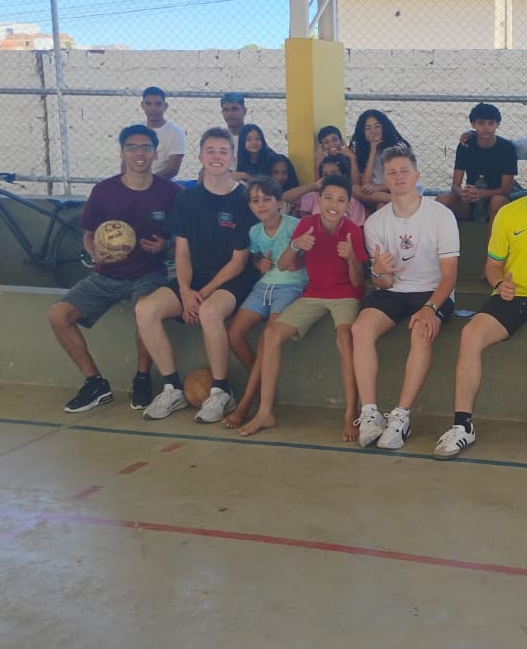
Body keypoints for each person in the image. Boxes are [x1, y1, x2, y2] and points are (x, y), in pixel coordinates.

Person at [433, 146, 527, 460]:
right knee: (470, 334)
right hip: (511, 296)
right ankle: (463, 425)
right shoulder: (508, 213)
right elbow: (492, 266)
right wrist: (499, 284)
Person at [47, 124, 181, 412]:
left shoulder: (171, 192)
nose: (139, 153)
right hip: (105, 275)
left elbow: (182, 241)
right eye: (132, 147)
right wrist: (96, 252)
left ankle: (142, 378)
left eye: (145, 147)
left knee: (145, 311)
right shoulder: (104, 191)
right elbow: (88, 234)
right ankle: (95, 383)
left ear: (155, 152)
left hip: (149, 273)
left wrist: (164, 246)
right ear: (122, 152)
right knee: (58, 315)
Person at [135, 128, 260, 423]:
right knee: (145, 309)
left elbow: (238, 262)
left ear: (232, 158)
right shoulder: (186, 199)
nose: (217, 157)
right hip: (193, 279)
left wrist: (200, 295)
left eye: (223, 151)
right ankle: (172, 387)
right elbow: (182, 253)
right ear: (201, 156)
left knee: (209, 312)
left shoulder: (244, 200)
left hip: (232, 279)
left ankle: (221, 390)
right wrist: (185, 290)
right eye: (211, 151)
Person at [237, 174, 368, 438]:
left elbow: (358, 283)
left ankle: (350, 414)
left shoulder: (352, 230)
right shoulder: (306, 225)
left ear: (348, 205)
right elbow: (284, 264)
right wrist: (296, 246)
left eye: (340, 200)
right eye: (328, 198)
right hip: (313, 294)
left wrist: (351, 257)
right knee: (271, 334)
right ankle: (265, 412)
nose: (333, 205)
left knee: (345, 338)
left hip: (345, 295)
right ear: (319, 199)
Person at [351, 146, 459, 449]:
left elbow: (449, 276)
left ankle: (401, 416)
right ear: (384, 179)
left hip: (433, 291)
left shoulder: (441, 215)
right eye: (392, 172)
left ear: (416, 175)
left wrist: (430, 308)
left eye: (404, 171)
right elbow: (382, 282)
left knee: (421, 330)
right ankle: (370, 413)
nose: (398, 177)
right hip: (395, 291)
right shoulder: (376, 223)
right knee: (360, 329)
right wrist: (380, 271)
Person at [223, 176, 308, 428]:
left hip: (290, 287)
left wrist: (298, 261)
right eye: (255, 200)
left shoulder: (294, 225)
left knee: (266, 339)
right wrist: (259, 263)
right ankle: (259, 378)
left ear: (279, 202)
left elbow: (310, 256)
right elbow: (255, 256)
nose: (261, 205)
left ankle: (247, 402)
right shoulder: (254, 231)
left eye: (266, 199)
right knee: (234, 333)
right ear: (250, 206)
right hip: (263, 287)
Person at [437, 102, 517, 233]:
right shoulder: (465, 145)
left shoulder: (507, 148)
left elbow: (506, 190)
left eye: (491, 123)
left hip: (495, 198)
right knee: (442, 200)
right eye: (481, 123)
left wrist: (481, 193)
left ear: (497, 124)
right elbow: (455, 185)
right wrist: (462, 193)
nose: (486, 127)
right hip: (471, 199)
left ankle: (491, 244)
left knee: (497, 201)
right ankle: (444, 243)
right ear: (473, 124)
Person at [352, 109, 410, 210]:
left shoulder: (397, 148)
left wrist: (377, 187)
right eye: (368, 128)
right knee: (355, 189)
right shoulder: (361, 152)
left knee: (381, 205)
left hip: (396, 189)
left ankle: (397, 200)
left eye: (377, 126)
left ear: (384, 127)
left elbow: (403, 179)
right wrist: (372, 150)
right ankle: (395, 200)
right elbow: (366, 184)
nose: (373, 131)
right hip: (375, 195)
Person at [296, 153, 367, 226]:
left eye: (334, 174)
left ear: (344, 175)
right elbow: (290, 198)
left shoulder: (353, 202)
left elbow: (356, 228)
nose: (330, 178)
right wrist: (313, 186)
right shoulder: (316, 197)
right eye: (325, 175)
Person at [140, 86, 185, 179]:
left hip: (163, 183)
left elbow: (173, 169)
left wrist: (147, 182)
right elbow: (126, 162)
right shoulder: (135, 131)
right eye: (148, 104)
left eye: (158, 104)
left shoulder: (175, 132)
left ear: (165, 106)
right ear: (142, 105)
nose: (153, 108)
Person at [234, 124, 297, 188]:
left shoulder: (272, 159)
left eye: (258, 138)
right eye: (248, 139)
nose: (254, 142)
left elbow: (268, 187)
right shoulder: (243, 161)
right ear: (242, 142)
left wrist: (246, 176)